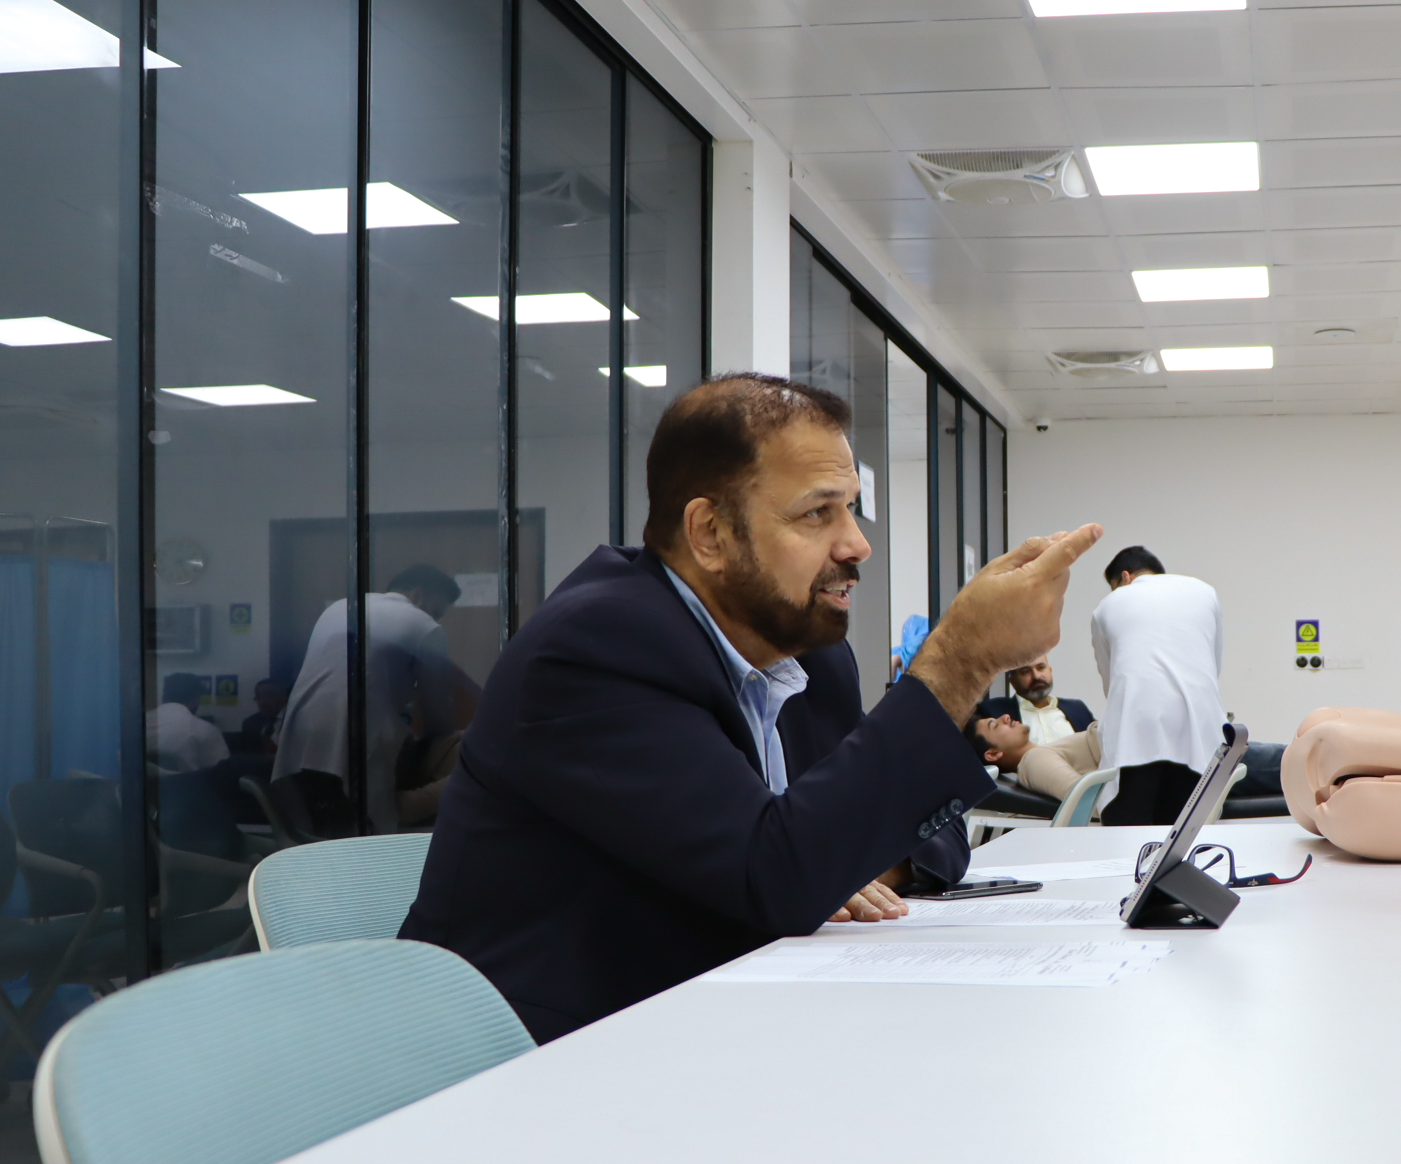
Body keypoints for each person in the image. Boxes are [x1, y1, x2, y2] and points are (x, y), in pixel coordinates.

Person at [402, 373, 1101, 1042]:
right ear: (710, 533)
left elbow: (926, 838)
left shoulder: (804, 652)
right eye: (817, 513)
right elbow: (779, 878)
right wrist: (962, 658)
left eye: (850, 508)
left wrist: (832, 859)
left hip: (723, 1023)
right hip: (537, 1057)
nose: (857, 544)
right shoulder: (597, 649)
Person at [271, 563, 475, 834]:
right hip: (357, 738)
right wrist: (441, 745)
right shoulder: (424, 625)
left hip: (297, 738)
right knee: (464, 756)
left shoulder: (341, 608)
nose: (436, 619)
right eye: (436, 612)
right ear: (418, 595)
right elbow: (437, 710)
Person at [1089, 546, 1225, 827]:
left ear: (1125, 577)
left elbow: (1111, 680)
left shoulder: (1108, 605)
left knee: (1128, 828)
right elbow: (1213, 665)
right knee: (1186, 827)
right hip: (1199, 727)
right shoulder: (1205, 592)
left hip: (1137, 729)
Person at [967, 711, 1101, 801]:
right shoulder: (1034, 760)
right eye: (995, 725)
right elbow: (1086, 800)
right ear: (993, 754)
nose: (1006, 717)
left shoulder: (1042, 754)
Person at [975, 657, 1093, 745]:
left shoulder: (1078, 709)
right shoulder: (993, 711)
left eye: (1041, 667)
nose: (1036, 676)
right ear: (1012, 681)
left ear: (1050, 670)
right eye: (1025, 671)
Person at [146, 672, 227, 773]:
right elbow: (223, 772)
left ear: (164, 696)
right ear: (195, 699)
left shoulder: (137, 724)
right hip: (188, 783)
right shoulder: (205, 730)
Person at [234, 678, 288, 754]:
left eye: (269, 696)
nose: (263, 702)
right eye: (258, 697)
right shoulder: (250, 723)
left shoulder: (295, 720)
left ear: (284, 697)